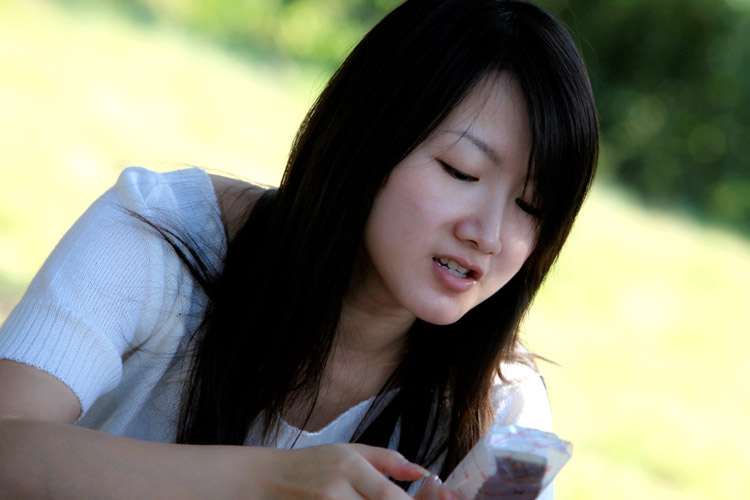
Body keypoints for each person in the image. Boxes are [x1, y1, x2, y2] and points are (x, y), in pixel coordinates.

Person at [0, 0, 598, 498]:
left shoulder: (504, 408)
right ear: (368, 137)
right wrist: (270, 481)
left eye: (531, 205)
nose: (488, 234)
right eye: (461, 170)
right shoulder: (159, 233)